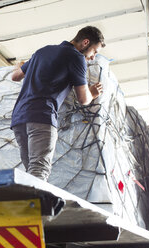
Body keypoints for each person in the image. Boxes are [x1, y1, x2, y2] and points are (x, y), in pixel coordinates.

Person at [11, 26, 105, 181]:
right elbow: (83, 99)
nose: (93, 57)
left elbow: (15, 76)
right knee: (39, 170)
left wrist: (22, 66)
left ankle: (28, 202)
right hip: (41, 116)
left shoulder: (42, 51)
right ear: (86, 42)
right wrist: (93, 93)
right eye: (94, 51)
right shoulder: (76, 57)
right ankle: (35, 205)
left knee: (31, 171)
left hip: (19, 118)